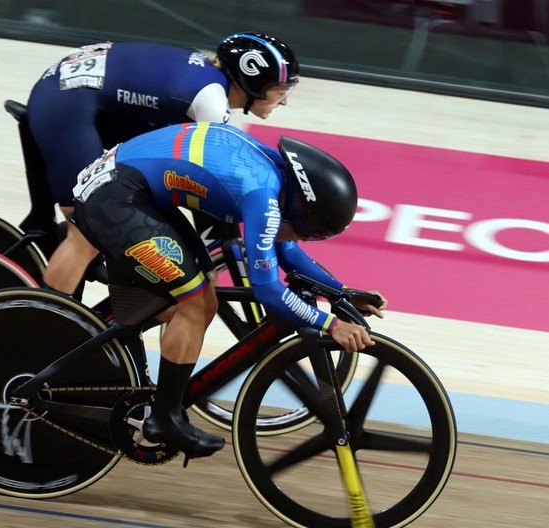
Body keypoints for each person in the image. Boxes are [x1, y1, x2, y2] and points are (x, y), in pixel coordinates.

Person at [71, 121, 388, 460]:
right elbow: (267, 289)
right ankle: (165, 418)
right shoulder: (261, 195)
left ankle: (118, 367)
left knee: (202, 284)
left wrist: (340, 292)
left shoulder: (275, 180)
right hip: (118, 197)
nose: (302, 239)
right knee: (196, 302)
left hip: (129, 188)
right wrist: (333, 326)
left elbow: (285, 251)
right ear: (302, 210)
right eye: (309, 232)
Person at [24, 32, 300, 298]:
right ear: (254, 83)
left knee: (125, 199)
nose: (285, 101)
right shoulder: (210, 101)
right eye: (281, 91)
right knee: (87, 228)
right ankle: (44, 320)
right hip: (68, 104)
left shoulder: (210, 83)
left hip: (82, 94)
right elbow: (215, 175)